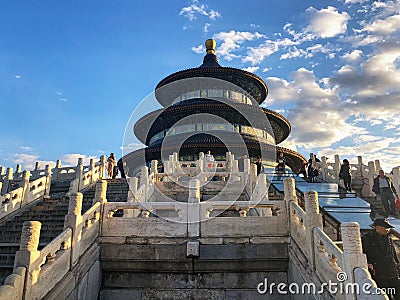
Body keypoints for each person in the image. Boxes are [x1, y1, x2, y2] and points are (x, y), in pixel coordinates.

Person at [362, 218, 400, 299]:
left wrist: (397, 266)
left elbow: (393, 254)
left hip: (393, 271)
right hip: (379, 273)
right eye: (385, 228)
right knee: (384, 295)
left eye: (388, 228)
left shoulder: (388, 238)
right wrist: (368, 263)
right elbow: (363, 253)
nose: (387, 230)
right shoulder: (366, 238)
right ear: (378, 227)